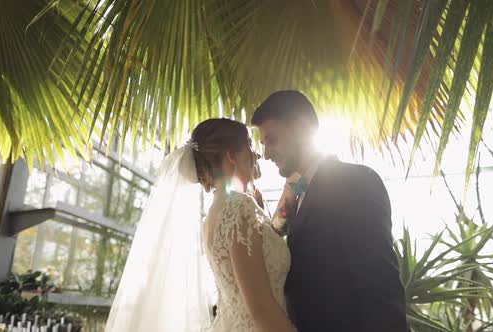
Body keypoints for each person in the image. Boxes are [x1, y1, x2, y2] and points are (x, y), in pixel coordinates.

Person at [105, 118, 295, 332]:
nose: (257, 154)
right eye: (250, 146)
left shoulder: (213, 216)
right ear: (231, 155)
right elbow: (261, 308)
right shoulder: (240, 208)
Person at [252, 90, 407, 332]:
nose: (265, 154)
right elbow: (280, 235)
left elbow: (380, 287)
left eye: (271, 139)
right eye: (262, 144)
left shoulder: (355, 182)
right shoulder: (298, 189)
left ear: (302, 129)